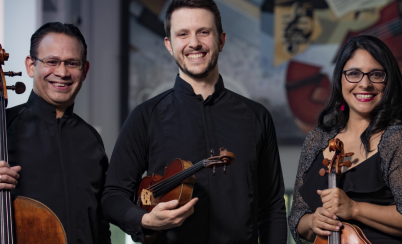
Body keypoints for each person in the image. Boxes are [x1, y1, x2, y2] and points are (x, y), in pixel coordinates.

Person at [101, 0, 287, 243]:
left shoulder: (256, 117)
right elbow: (113, 195)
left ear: (221, 40)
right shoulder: (145, 116)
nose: (194, 43)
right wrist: (144, 220)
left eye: (203, 32)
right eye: (182, 34)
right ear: (169, 44)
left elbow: (272, 207)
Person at [0, 22, 111, 243]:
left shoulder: (91, 139)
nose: (62, 72)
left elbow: (99, 224)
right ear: (31, 66)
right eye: (51, 61)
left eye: (72, 63)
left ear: (84, 70)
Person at [288, 35, 402, 243]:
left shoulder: (398, 140)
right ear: (340, 79)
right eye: (354, 74)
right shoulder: (317, 140)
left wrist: (354, 208)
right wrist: (313, 221)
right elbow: (297, 218)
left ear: (388, 81)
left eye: (376, 74)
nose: (364, 84)